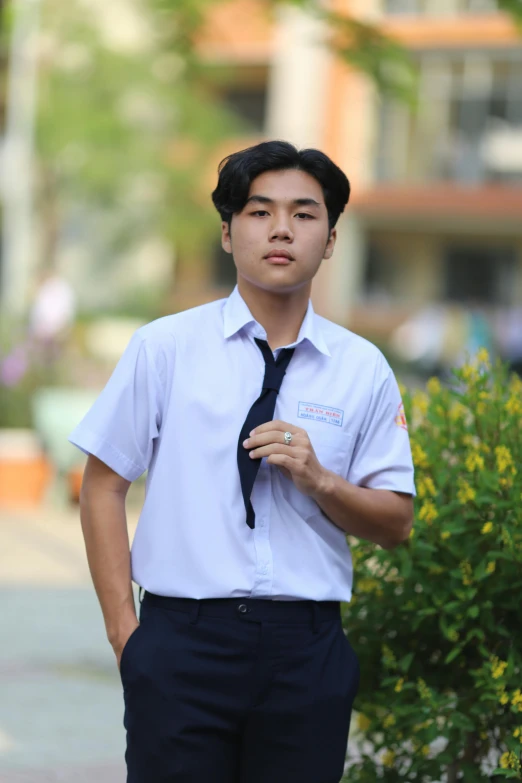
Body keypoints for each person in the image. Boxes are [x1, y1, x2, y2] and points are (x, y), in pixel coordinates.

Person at [68, 140, 415, 783]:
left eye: (305, 214)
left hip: (307, 649)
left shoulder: (362, 368)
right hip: (181, 642)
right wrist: (127, 635)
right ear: (227, 234)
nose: (282, 229)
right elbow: (102, 484)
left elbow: (394, 523)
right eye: (260, 212)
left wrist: (319, 480)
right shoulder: (165, 348)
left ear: (332, 239)